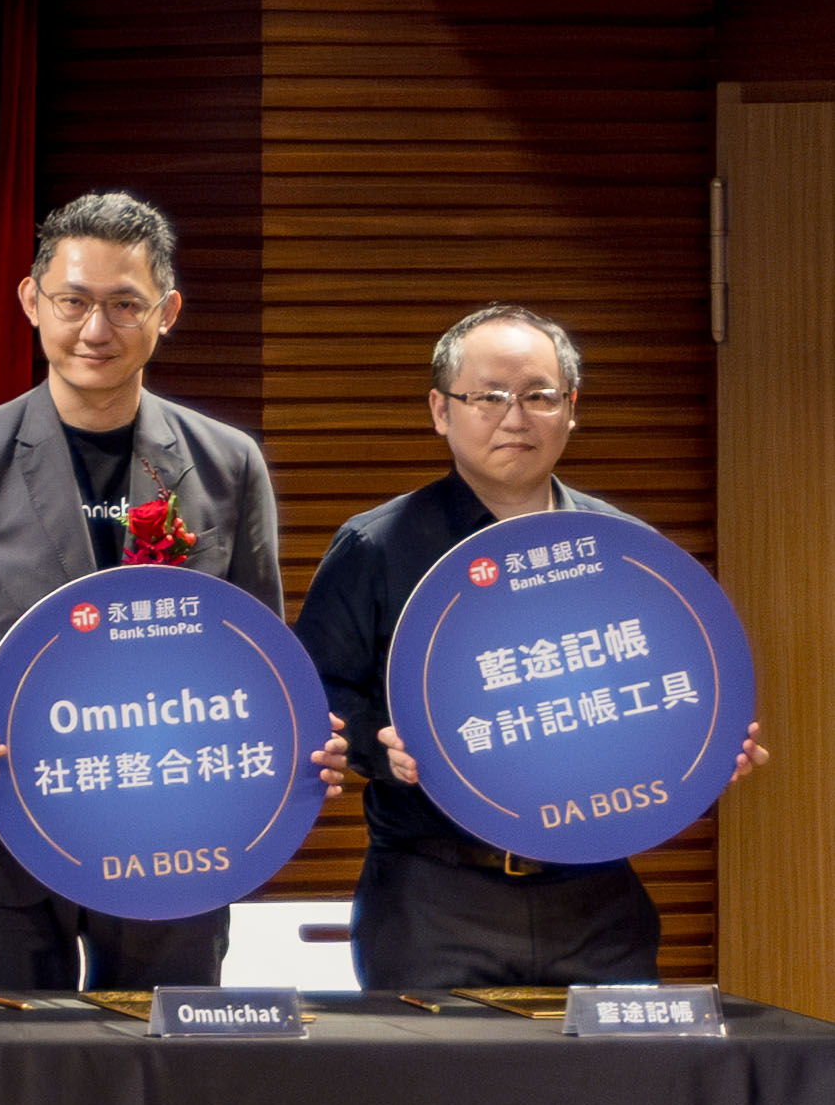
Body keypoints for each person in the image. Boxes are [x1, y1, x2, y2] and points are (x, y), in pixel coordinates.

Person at [0, 189, 320, 993]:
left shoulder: (226, 462)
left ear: (166, 312)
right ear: (31, 301)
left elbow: (257, 652)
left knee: (161, 1062)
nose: (95, 329)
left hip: (174, 829)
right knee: (7, 1067)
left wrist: (295, 742)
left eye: (124, 304)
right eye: (73, 301)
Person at [299, 305, 762, 991]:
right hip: (434, 899)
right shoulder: (377, 546)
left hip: (596, 896)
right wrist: (380, 744)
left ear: (570, 408)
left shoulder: (626, 551)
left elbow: (671, 681)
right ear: (440, 410)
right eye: (487, 396)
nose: (514, 418)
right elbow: (315, 695)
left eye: (538, 395)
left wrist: (708, 742)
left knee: (621, 1066)